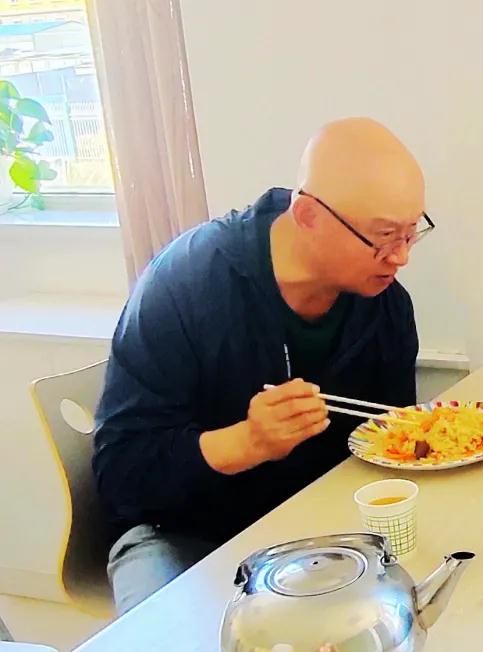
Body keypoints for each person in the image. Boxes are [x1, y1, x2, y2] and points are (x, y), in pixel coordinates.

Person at [93, 117, 429, 613]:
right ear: (309, 215)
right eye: (384, 236)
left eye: (411, 233)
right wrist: (246, 443)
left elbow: (385, 449)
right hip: (180, 534)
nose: (400, 258)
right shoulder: (188, 282)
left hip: (314, 529)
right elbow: (121, 475)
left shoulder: (384, 306)